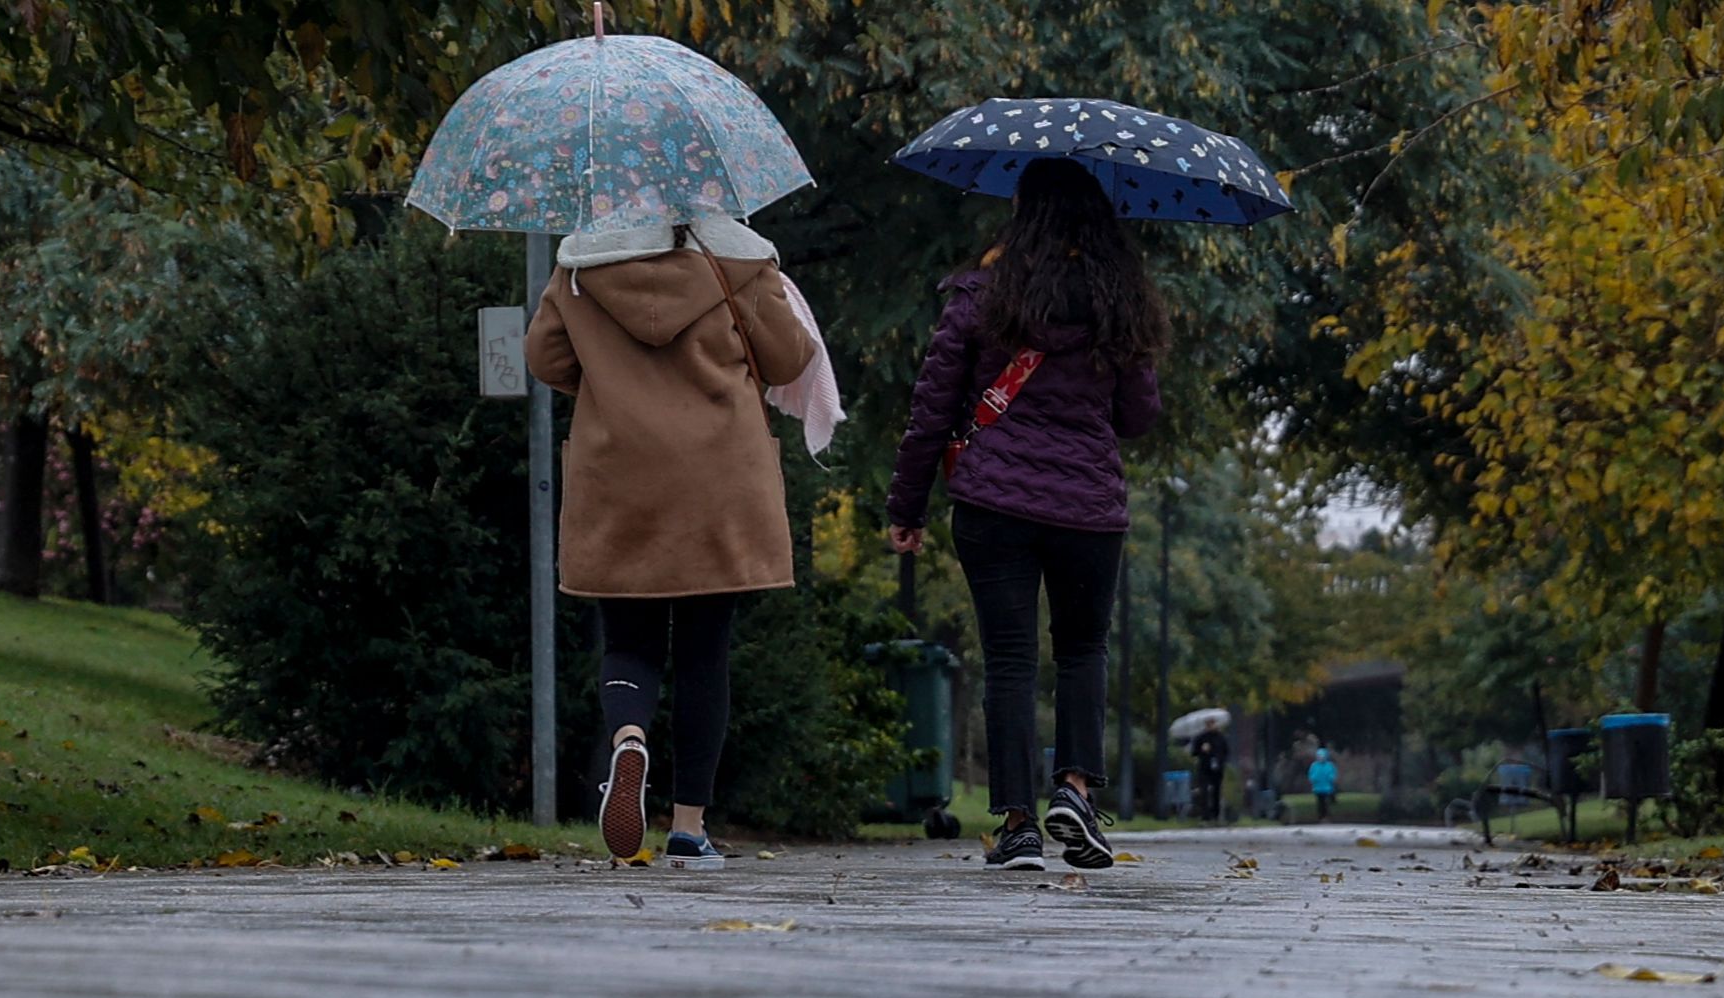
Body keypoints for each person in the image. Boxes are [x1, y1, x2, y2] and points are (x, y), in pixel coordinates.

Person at [884, 159, 1167, 873]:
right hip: (1087, 507)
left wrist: (906, 507)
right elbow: (1139, 417)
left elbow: (931, 412)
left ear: (1021, 212)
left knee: (1008, 659)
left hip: (991, 503)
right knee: (1081, 651)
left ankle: (1015, 828)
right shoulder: (1119, 303)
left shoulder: (982, 295)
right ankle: (1073, 789)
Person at [526, 213, 822, 872]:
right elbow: (787, 358)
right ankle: (688, 829)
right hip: (717, 479)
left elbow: (543, 356)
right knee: (703, 652)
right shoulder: (741, 259)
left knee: (626, 639)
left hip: (619, 472)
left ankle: (628, 739)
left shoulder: (580, 263)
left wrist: (618, 390)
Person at [1188, 724, 1229, 823]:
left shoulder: (1221, 737)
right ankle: (1205, 816)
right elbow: (1194, 752)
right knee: (1204, 791)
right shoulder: (1201, 737)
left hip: (1217, 768)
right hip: (1204, 767)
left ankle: (1215, 814)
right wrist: (1201, 749)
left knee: (1216, 791)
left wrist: (1221, 760)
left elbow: (1226, 751)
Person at [1308, 746, 1339, 822]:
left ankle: (1327, 816)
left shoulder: (1329, 765)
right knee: (1320, 803)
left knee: (1326, 803)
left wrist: (1331, 778)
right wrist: (1314, 779)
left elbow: (1333, 774)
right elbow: (1311, 775)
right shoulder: (1314, 765)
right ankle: (1320, 817)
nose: (1320, 758)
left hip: (1327, 788)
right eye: (1319, 756)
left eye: (1322, 756)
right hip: (1318, 788)